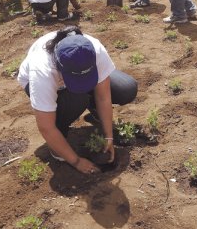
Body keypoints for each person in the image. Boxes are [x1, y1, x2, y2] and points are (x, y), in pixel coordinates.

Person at [17, 26, 138, 174]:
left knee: (126, 88)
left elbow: (103, 96)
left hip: (76, 72)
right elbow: (45, 127)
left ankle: (95, 112)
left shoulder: (93, 49)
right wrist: (76, 161)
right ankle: (58, 145)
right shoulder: (43, 71)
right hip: (39, 83)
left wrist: (108, 136)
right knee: (77, 100)